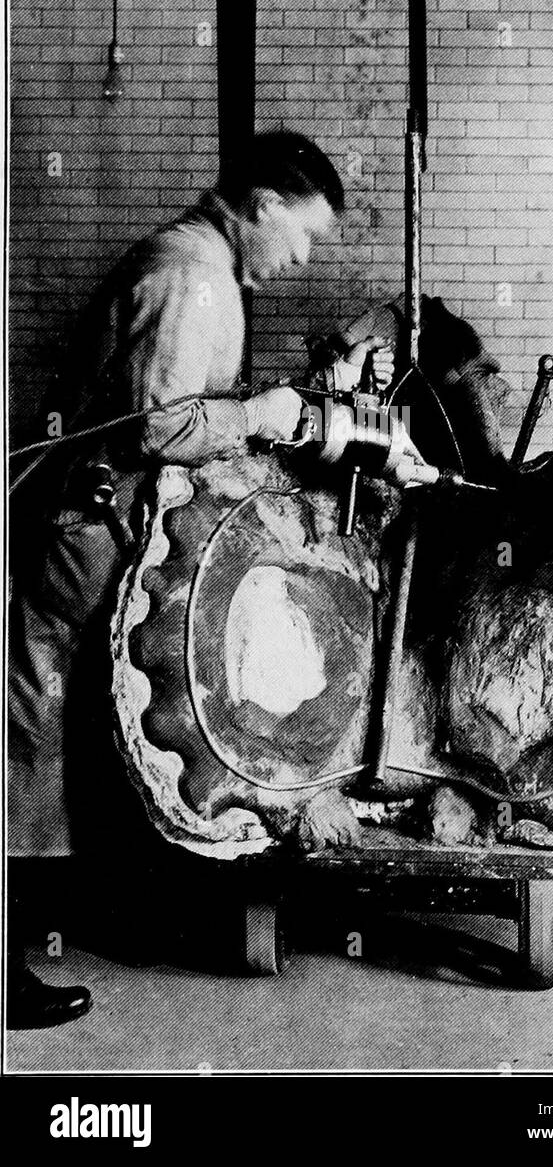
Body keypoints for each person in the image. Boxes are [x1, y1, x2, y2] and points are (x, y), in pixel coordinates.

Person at [7, 130, 395, 1028]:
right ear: (259, 206)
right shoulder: (190, 275)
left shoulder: (208, 270)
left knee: (93, 739)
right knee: (31, 739)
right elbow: (156, 429)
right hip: (87, 532)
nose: (301, 257)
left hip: (116, 529)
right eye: (300, 235)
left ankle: (88, 915)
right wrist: (260, 412)